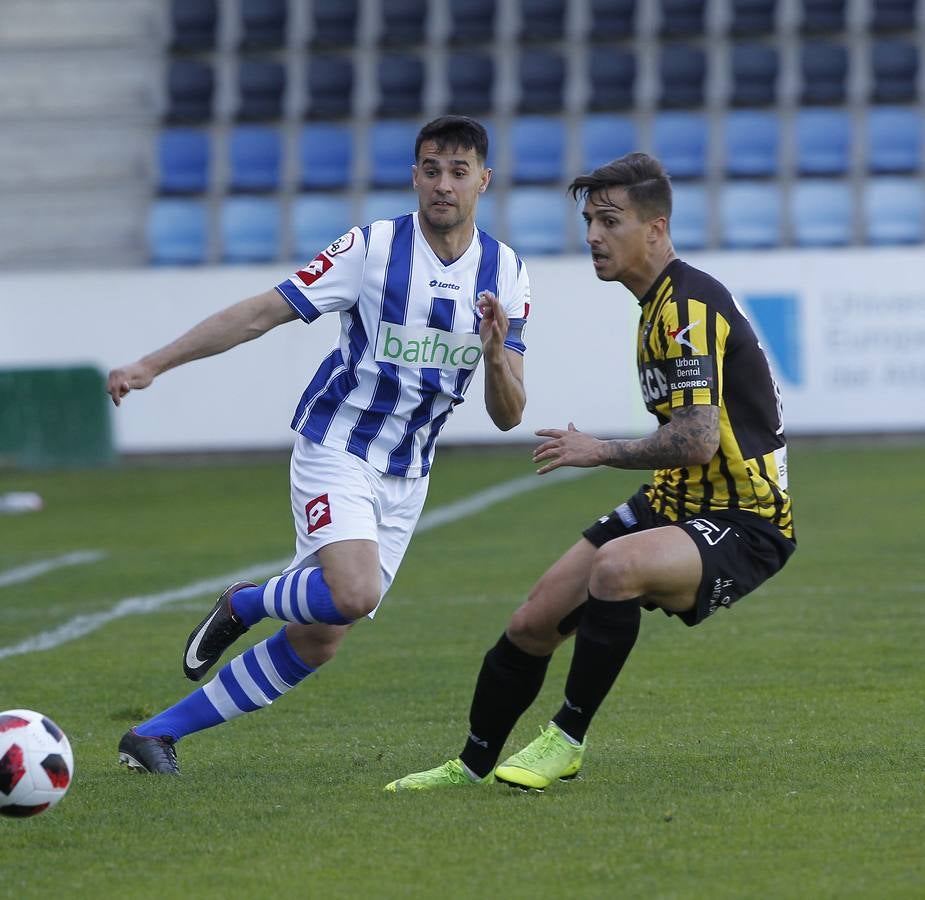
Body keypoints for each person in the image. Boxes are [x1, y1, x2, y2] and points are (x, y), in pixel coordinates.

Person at [108, 115, 531, 775]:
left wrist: (497, 352)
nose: (442, 185)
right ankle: (245, 601)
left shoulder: (505, 272)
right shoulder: (370, 248)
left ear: (484, 180)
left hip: (407, 472)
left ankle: (152, 735)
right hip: (338, 444)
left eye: (457, 172)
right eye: (429, 169)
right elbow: (260, 312)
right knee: (354, 594)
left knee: (320, 637)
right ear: (414, 176)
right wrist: (153, 364)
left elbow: (508, 416)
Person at [385, 152, 795, 793]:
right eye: (588, 221)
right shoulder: (655, 304)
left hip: (744, 518)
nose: (593, 237)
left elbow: (693, 439)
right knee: (533, 620)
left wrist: (596, 450)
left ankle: (566, 740)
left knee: (617, 569)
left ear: (656, 228)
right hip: (675, 500)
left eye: (610, 221)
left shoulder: (688, 307)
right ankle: (468, 767)